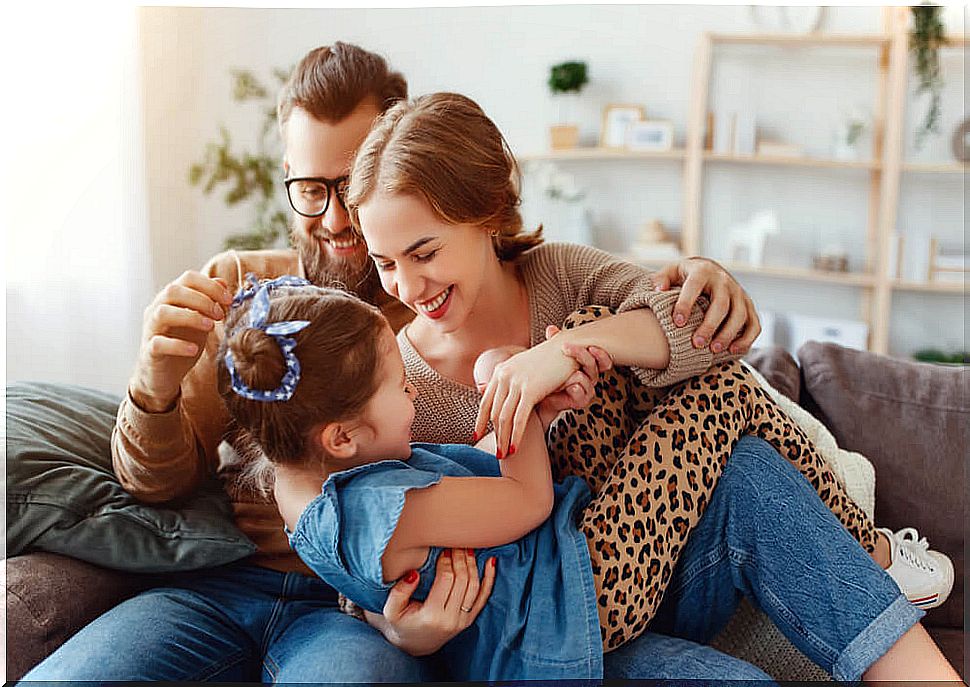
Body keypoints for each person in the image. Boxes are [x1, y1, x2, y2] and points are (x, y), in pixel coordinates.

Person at [22, 42, 771, 683]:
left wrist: (694, 274)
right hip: (219, 581)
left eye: (351, 186)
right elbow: (159, 482)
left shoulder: (449, 293)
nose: (338, 219)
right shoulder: (254, 301)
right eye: (311, 189)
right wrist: (152, 390)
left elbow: (626, 319)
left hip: (346, 608)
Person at [343, 90, 960, 681]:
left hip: (663, 562)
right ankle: (873, 553)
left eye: (423, 253)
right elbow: (356, 523)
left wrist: (560, 351)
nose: (406, 286)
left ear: (486, 214)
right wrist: (396, 628)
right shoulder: (396, 384)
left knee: (739, 458)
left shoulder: (559, 273)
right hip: (557, 619)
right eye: (385, 262)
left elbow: (707, 337)